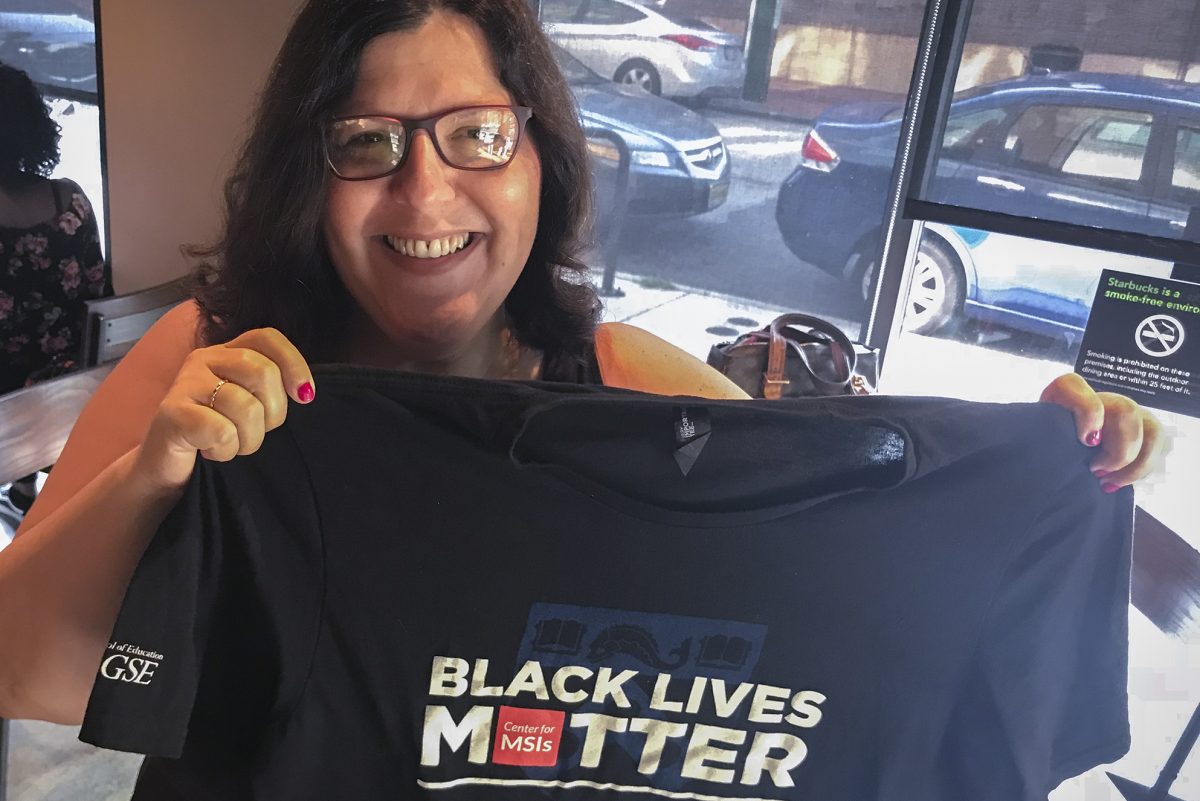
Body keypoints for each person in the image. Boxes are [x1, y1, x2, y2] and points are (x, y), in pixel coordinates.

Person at [0, 0, 1164, 733]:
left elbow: (860, 558)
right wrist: (153, 477)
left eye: (477, 133)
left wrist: (1036, 466)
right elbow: (24, 671)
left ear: (541, 158)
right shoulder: (212, 364)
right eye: (366, 143)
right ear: (313, 178)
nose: (424, 193)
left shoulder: (630, 383)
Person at [0, 61, 112, 519]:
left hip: (7, 401)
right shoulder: (71, 200)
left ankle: (21, 477)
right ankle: (25, 482)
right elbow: (97, 289)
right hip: (67, 389)